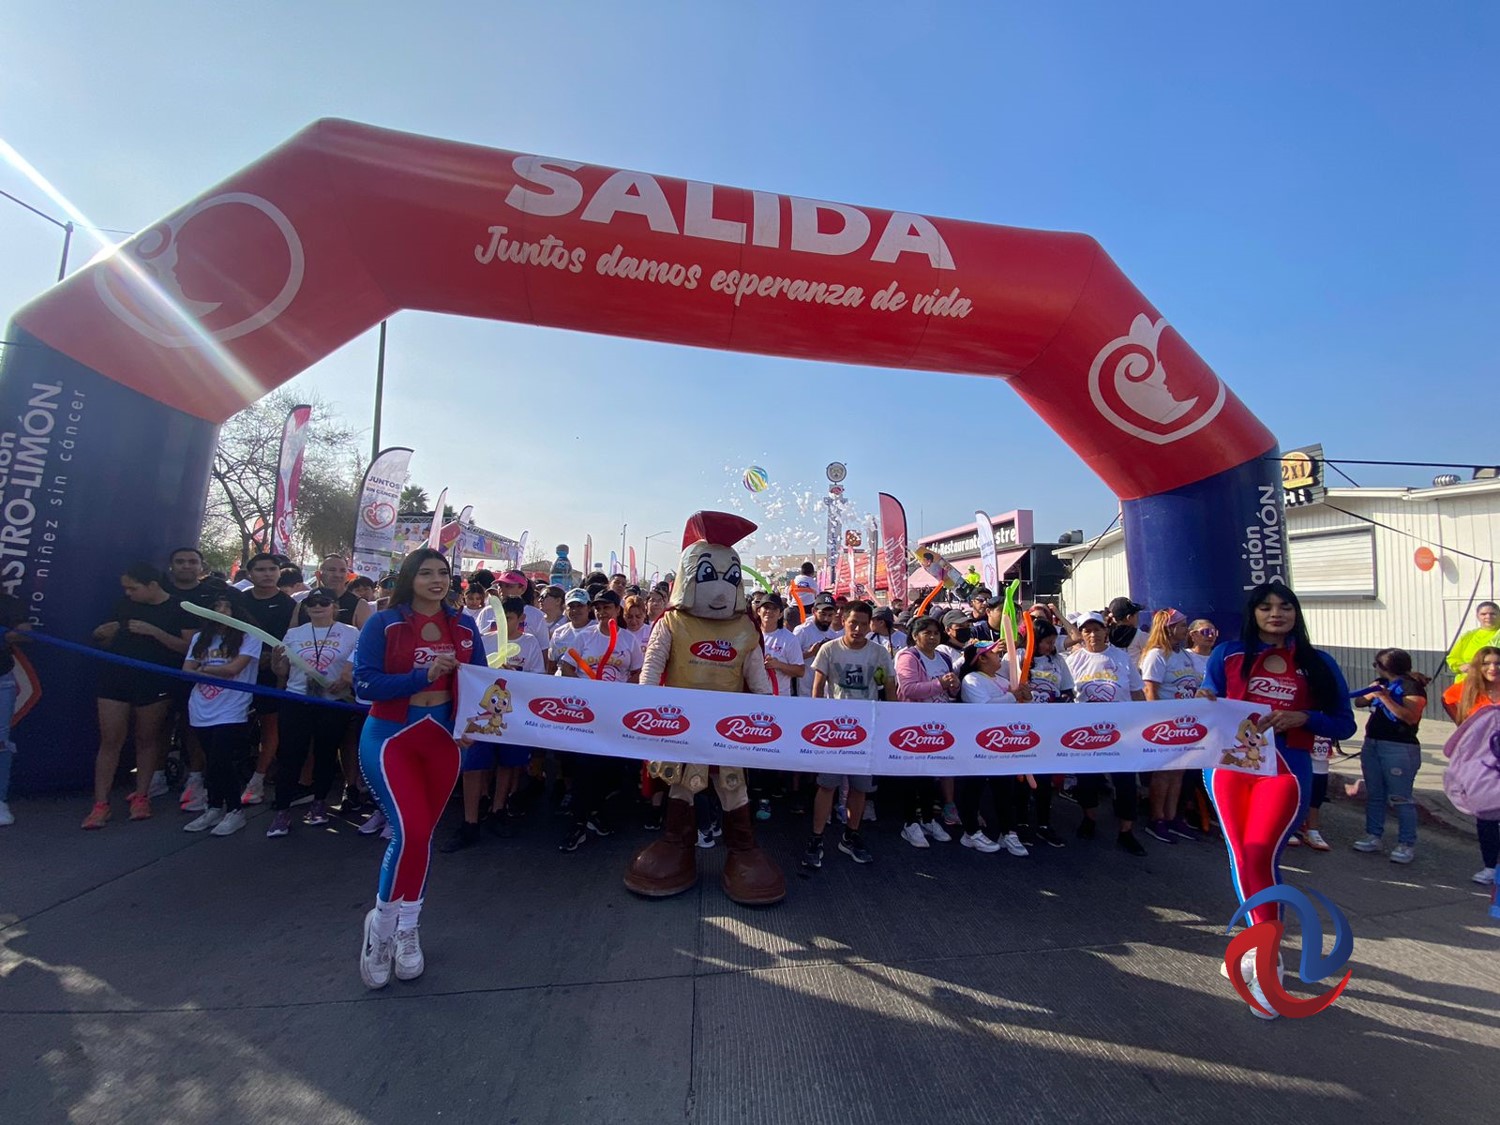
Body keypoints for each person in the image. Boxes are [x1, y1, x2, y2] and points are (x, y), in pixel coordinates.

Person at [1197, 580, 1356, 1021]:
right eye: (1266, 607)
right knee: (1245, 854)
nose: (1275, 613)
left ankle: (1262, 953)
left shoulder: (1318, 663)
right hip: (1229, 767)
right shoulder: (1226, 654)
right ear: (1254, 613)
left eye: (1285, 606)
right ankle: (1265, 953)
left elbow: (1344, 724)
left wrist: (1305, 716)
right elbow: (1206, 703)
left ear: (1295, 613)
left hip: (1288, 769)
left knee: (1262, 853)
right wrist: (1204, 699)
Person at [353, 548, 487, 989]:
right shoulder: (382, 622)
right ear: (409, 577)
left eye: (443, 573)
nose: (436, 580)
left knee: (421, 837)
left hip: (445, 741)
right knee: (408, 830)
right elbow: (365, 683)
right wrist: (423, 676)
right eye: (426, 572)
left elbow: (481, 683)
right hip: (391, 737)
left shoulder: (465, 624)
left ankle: (409, 928)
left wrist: (471, 726)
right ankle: (382, 931)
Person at [84, 563, 196, 829]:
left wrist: (154, 632)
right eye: (125, 588)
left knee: (147, 739)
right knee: (110, 739)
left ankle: (142, 796)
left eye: (133, 588)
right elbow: (105, 639)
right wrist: (101, 635)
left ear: (152, 585)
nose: (128, 592)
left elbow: (190, 649)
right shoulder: (123, 604)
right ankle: (100, 804)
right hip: (115, 678)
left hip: (154, 681)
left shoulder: (180, 608)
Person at [442, 597, 545, 852]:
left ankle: (499, 810)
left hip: (515, 716)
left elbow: (539, 679)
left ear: (521, 618)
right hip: (479, 712)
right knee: (474, 765)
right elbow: (467, 669)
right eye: (497, 618)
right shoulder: (483, 638)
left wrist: (514, 675)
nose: (502, 623)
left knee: (509, 765)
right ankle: (470, 821)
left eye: (508, 618)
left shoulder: (529, 643)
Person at [803, 600, 893, 868]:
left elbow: (888, 687)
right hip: (833, 730)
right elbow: (817, 689)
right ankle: (817, 838)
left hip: (867, 729)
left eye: (863, 624)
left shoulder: (879, 653)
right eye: (853, 623)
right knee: (827, 785)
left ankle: (851, 835)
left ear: (870, 625)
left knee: (859, 787)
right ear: (843, 621)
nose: (857, 628)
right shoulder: (829, 650)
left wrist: (892, 721)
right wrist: (817, 723)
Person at [265, 587, 359, 837]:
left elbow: (357, 664)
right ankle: (282, 811)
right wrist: (276, 663)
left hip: (332, 702)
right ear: (305, 607)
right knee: (290, 756)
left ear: (334, 606)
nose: (318, 606)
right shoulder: (294, 633)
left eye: (324, 602)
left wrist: (346, 679)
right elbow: (283, 672)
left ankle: (319, 804)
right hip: (297, 700)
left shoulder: (351, 633)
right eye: (312, 602)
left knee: (326, 754)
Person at [1066, 611, 1148, 854]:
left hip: (1121, 731)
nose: (1093, 634)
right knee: (1087, 780)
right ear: (1080, 635)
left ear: (1106, 631)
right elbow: (1066, 694)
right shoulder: (1073, 661)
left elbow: (1136, 691)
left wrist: (1143, 722)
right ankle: (1089, 819)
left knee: (1125, 782)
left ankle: (1126, 831)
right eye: (1087, 630)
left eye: (1097, 629)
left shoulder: (1121, 658)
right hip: (1086, 732)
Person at [181, 592, 262, 836]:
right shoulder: (200, 638)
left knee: (221, 758)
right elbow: (186, 669)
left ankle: (235, 810)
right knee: (210, 759)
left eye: (228, 607)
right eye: (217, 606)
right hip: (201, 705)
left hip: (232, 707)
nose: (223, 611)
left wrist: (203, 669)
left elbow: (233, 669)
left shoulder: (250, 636)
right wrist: (209, 671)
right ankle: (214, 806)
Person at [1351, 648, 1429, 864]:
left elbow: (1410, 717)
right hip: (1373, 743)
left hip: (1399, 747)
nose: (1375, 668)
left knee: (1400, 797)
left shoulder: (1411, 687)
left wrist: (1385, 698)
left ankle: (1406, 844)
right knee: (1375, 793)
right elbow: (1358, 702)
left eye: (1376, 664)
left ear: (1386, 666)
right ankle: (1373, 835)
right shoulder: (1380, 682)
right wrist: (1370, 692)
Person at [957, 639, 1031, 856]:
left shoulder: (1001, 679)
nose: (999, 655)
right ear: (981, 658)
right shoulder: (972, 680)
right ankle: (970, 832)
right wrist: (1013, 696)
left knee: (1005, 789)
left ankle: (1008, 832)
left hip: (1003, 742)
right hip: (978, 743)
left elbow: (1018, 704)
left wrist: (1027, 697)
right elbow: (985, 708)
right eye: (993, 653)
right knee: (973, 788)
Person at [891, 615, 957, 848]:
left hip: (939, 726)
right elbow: (908, 689)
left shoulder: (944, 657)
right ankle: (910, 823)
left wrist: (952, 687)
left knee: (930, 775)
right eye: (926, 632)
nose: (932, 637)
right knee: (913, 775)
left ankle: (928, 819)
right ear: (915, 635)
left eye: (936, 633)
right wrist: (941, 683)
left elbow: (950, 693)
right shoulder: (908, 656)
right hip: (914, 724)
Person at [238, 552, 298, 806]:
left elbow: (291, 639)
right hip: (237, 671)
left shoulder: (289, 604)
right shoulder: (238, 600)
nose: (267, 573)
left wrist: (272, 660)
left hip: (272, 673)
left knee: (270, 725)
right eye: (260, 569)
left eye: (272, 569)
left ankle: (258, 779)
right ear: (250, 573)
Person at [1138, 608, 1203, 844]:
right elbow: (1149, 690)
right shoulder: (1157, 655)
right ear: (1169, 628)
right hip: (1166, 723)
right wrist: (1156, 722)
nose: (1186, 630)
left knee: (1179, 771)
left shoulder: (1183, 655)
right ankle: (1157, 819)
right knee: (1163, 772)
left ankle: (1173, 817)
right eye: (1183, 625)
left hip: (1186, 722)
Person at [1443, 646, 1500, 884]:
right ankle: (1490, 867)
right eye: (1487, 663)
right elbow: (1447, 700)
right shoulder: (1466, 690)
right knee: (1486, 816)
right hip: (1481, 763)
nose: (1493, 668)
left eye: (1498, 663)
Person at [0, 592, 31, 827]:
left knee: (1, 742)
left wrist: (17, 633)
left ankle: (0, 801)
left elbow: (26, 631)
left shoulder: (10, 601)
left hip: (2, 679)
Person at [791, 592, 839, 697]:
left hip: (824, 691)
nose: (826, 619)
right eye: (823, 614)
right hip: (804, 690)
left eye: (830, 615)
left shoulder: (833, 635)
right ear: (814, 611)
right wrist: (810, 653)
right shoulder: (802, 631)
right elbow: (790, 659)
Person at [1445, 601, 1500, 682]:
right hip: (1466, 683)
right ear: (1477, 616)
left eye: (1493, 614)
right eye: (1483, 614)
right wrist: (1462, 666)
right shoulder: (1469, 636)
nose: (1488, 617)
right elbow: (1452, 658)